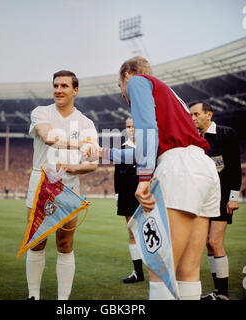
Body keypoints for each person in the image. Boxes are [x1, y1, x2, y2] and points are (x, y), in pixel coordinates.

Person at [83, 56, 221, 300]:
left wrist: (144, 177)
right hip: (202, 168)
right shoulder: (169, 94)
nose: (123, 94)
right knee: (187, 272)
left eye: (119, 86)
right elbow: (150, 145)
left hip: (179, 168)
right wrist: (103, 152)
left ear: (126, 76)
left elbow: (147, 130)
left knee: (160, 268)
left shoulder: (136, 82)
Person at [25, 70, 98, 300]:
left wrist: (77, 168)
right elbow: (48, 137)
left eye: (65, 86)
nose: (58, 90)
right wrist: (79, 145)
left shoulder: (86, 122)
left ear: (75, 90)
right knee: (36, 242)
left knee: (65, 244)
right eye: (56, 85)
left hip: (69, 186)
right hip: (40, 182)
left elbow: (93, 163)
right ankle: (33, 296)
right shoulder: (41, 112)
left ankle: (63, 301)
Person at [189, 101, 242, 300]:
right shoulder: (193, 138)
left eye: (196, 114)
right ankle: (218, 292)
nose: (193, 118)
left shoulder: (226, 134)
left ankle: (224, 294)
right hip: (202, 198)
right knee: (208, 245)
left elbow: (235, 167)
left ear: (208, 114)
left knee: (214, 241)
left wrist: (234, 197)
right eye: (191, 115)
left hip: (222, 197)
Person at [114, 117, 144, 283]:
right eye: (128, 126)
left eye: (134, 126)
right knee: (132, 233)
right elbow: (117, 175)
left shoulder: (150, 147)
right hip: (127, 196)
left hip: (147, 196)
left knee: (153, 233)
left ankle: (160, 272)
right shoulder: (121, 149)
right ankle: (138, 272)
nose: (131, 129)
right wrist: (118, 195)